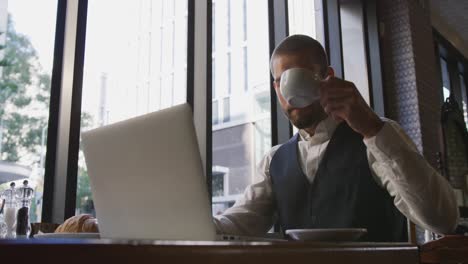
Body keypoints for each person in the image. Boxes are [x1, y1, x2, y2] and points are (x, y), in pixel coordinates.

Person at [213, 34, 459, 241]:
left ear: (327, 77)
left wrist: (373, 129)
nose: (289, 93)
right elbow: (237, 224)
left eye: (301, 77)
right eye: (281, 82)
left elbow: (443, 220)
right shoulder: (273, 161)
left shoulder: (378, 138)